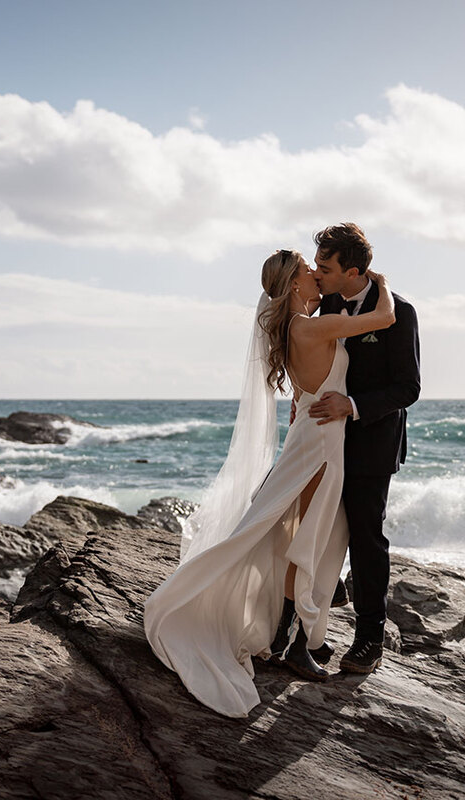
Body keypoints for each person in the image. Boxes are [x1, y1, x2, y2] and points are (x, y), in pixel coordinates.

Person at [143, 248, 396, 718]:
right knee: (311, 540)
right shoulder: (310, 326)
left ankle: (285, 636)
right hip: (322, 445)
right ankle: (297, 643)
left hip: (313, 438)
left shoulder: (295, 326)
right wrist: (377, 280)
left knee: (297, 535)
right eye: (309, 271)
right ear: (295, 285)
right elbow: (384, 317)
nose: (317, 276)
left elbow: (307, 388)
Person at [307, 223, 421, 674]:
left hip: (372, 441)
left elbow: (408, 388)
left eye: (325, 266)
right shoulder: (327, 303)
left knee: (366, 539)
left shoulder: (400, 312)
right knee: (311, 523)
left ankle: (369, 638)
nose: (317, 273)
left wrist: (352, 406)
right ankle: (308, 626)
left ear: (352, 271)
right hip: (324, 439)